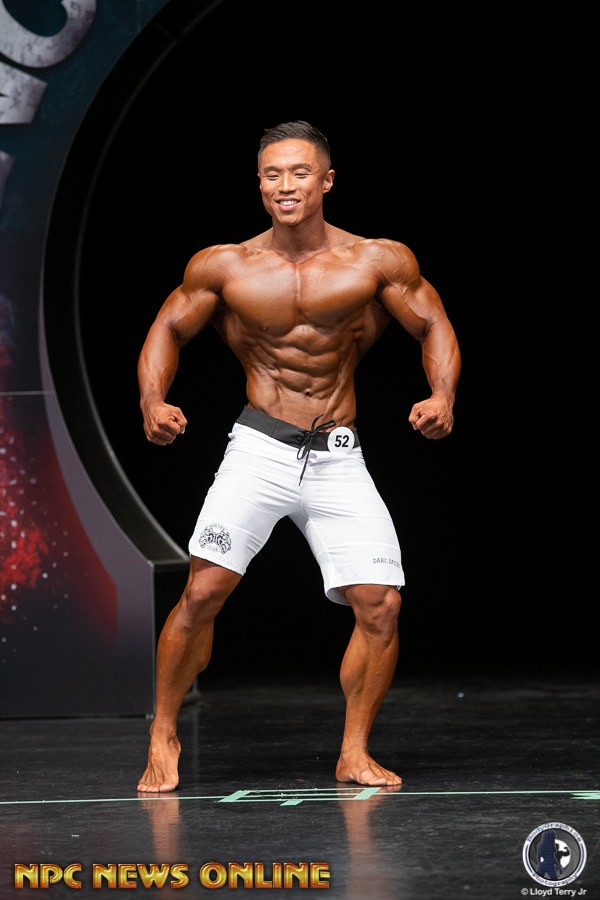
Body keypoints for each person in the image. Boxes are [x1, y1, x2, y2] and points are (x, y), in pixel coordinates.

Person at [136, 120, 461, 792]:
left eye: (300, 173)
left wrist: (442, 395)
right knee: (202, 592)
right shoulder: (225, 266)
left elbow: (432, 321)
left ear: (327, 181)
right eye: (272, 175)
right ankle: (163, 731)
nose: (285, 185)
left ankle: (354, 752)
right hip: (258, 449)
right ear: (260, 185)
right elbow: (167, 325)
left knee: (382, 605)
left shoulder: (374, 260)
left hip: (337, 453)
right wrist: (152, 401)